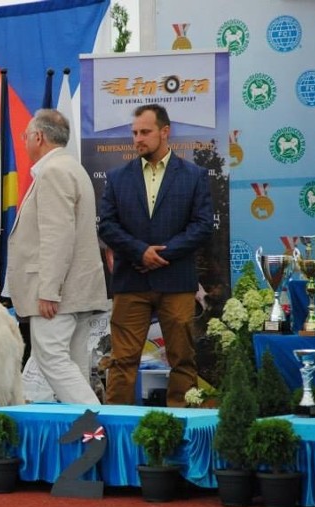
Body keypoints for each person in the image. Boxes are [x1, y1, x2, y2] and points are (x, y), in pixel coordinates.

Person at [98, 104, 213, 407]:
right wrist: (140, 252)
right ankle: (116, 428)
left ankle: (181, 428)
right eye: (135, 132)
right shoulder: (117, 177)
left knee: (182, 361)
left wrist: (162, 254)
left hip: (176, 281)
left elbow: (202, 226)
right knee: (122, 361)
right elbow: (106, 225)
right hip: (130, 282)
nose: (138, 138)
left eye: (145, 132)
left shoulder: (194, 176)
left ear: (165, 132)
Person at [6, 109, 109, 405]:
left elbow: (57, 236)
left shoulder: (53, 172)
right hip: (75, 289)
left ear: (38, 137)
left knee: (51, 358)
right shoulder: (71, 168)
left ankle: (95, 427)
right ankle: (88, 433)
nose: (24, 142)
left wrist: (49, 290)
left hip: (59, 293)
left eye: (26, 136)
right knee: (73, 365)